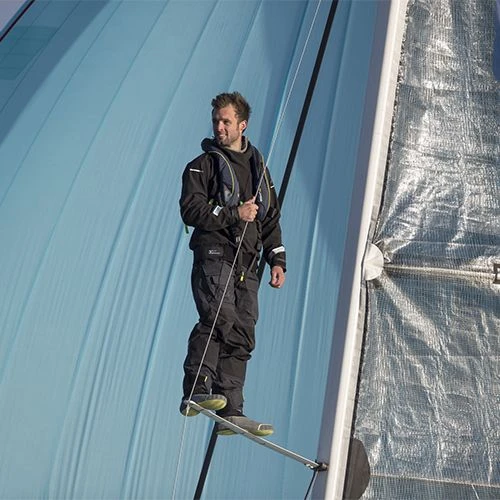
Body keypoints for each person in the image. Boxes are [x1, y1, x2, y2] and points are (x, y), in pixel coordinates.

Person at [179, 92, 286, 436]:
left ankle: (232, 409)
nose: (219, 127)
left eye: (226, 121)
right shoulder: (202, 165)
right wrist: (233, 213)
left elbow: (270, 218)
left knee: (243, 331)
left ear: (242, 125)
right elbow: (191, 209)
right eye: (216, 121)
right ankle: (197, 390)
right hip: (214, 257)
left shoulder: (259, 170)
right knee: (218, 318)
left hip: (248, 266)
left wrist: (277, 259)